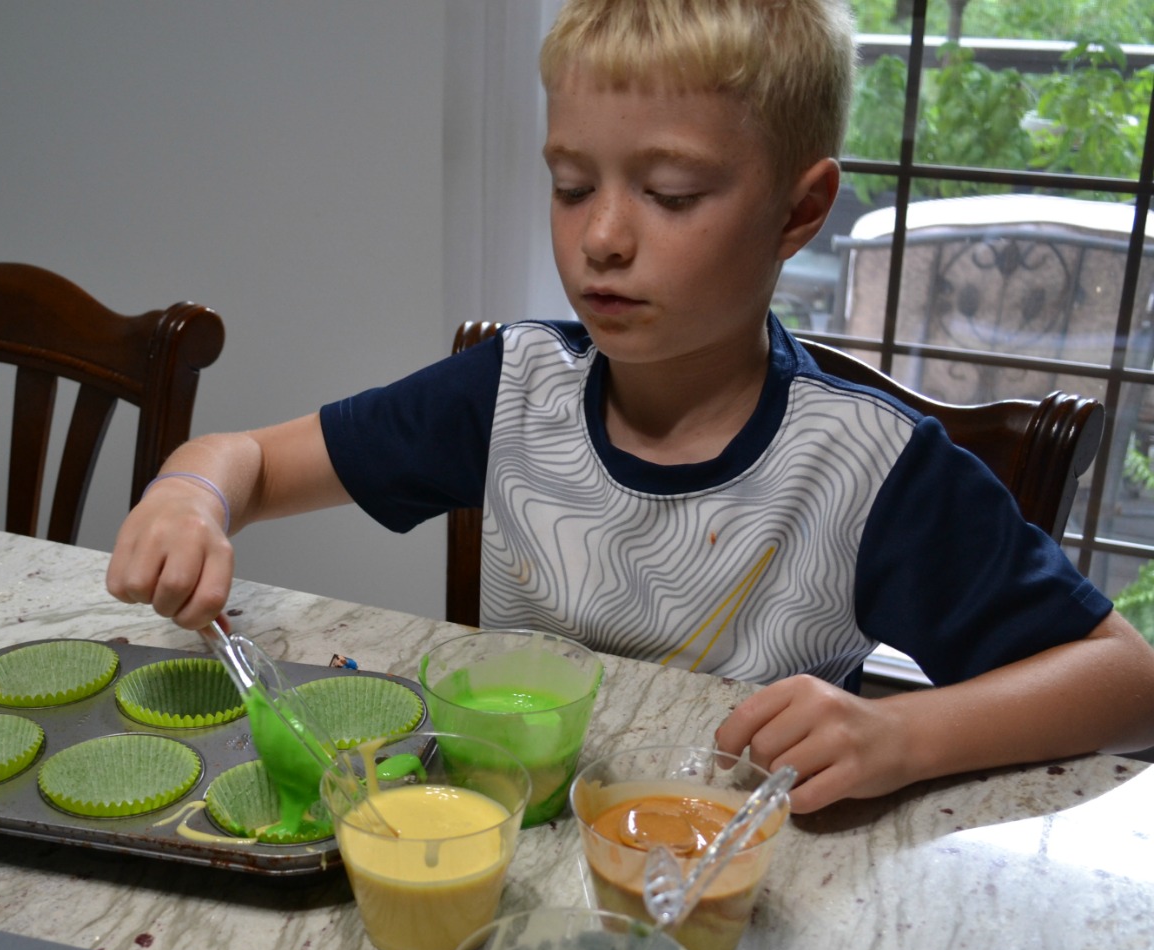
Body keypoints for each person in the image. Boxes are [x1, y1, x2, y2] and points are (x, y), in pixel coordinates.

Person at [107, 0, 1154, 813]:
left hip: (712, 885)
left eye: (670, 194)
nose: (601, 237)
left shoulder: (869, 470)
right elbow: (241, 456)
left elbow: (1124, 680)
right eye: (570, 185)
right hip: (501, 846)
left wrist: (901, 736)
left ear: (799, 209)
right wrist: (191, 493)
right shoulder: (509, 390)